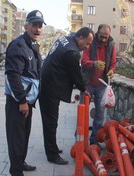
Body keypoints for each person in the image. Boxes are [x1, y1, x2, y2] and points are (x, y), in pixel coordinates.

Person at [39, 27, 94, 165]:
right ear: (80, 38)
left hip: (47, 83)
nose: (87, 47)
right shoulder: (72, 51)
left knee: (52, 121)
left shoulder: (67, 39)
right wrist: (83, 89)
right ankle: (52, 155)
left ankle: (53, 148)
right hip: (50, 87)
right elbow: (75, 74)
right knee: (51, 122)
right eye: (87, 43)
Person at [4, 10, 45, 176]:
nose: (37, 29)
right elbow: (13, 76)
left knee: (24, 135)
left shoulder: (32, 45)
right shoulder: (18, 46)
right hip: (17, 102)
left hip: (27, 101)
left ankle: (21, 163)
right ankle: (16, 174)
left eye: (39, 26)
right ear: (26, 25)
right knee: (16, 138)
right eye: (34, 25)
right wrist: (21, 101)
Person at [81, 24, 116, 145]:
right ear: (97, 33)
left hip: (102, 84)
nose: (104, 39)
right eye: (102, 36)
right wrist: (94, 63)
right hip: (87, 83)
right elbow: (84, 61)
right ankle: (80, 139)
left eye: (106, 37)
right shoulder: (90, 42)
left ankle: (93, 141)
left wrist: (111, 70)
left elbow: (112, 63)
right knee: (83, 112)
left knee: (100, 115)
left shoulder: (111, 45)